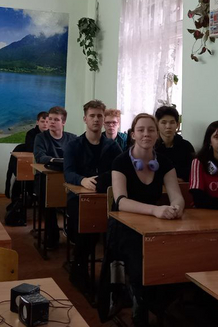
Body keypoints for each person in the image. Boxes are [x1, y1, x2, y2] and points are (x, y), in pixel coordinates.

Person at [109, 113, 185, 326]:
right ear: (133, 134)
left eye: (151, 130)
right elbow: (121, 201)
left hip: (154, 224)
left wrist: (177, 207)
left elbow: (176, 195)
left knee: (176, 256)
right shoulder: (120, 161)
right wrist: (155, 210)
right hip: (124, 225)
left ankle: (157, 302)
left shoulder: (165, 162)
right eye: (141, 130)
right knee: (139, 260)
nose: (146, 134)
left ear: (157, 134)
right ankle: (140, 299)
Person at [64, 100, 121, 288]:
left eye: (99, 116)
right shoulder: (74, 145)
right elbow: (68, 172)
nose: (96, 119)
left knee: (118, 233)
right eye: (92, 116)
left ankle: (111, 278)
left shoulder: (112, 146)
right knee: (86, 233)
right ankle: (79, 270)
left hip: (106, 197)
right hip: (79, 198)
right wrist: (82, 180)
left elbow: (120, 169)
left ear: (104, 119)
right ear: (85, 119)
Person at [34, 106, 76, 248]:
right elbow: (40, 157)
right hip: (46, 179)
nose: (51, 122)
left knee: (77, 202)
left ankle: (73, 233)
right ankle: (52, 237)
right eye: (50, 119)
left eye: (56, 120)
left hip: (67, 178)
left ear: (63, 122)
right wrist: (56, 160)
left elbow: (78, 157)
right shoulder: (41, 137)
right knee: (47, 204)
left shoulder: (72, 138)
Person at [154, 106, 195, 181]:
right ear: (157, 124)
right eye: (164, 122)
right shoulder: (152, 147)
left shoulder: (186, 146)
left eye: (172, 122)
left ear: (177, 124)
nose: (168, 126)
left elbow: (192, 170)